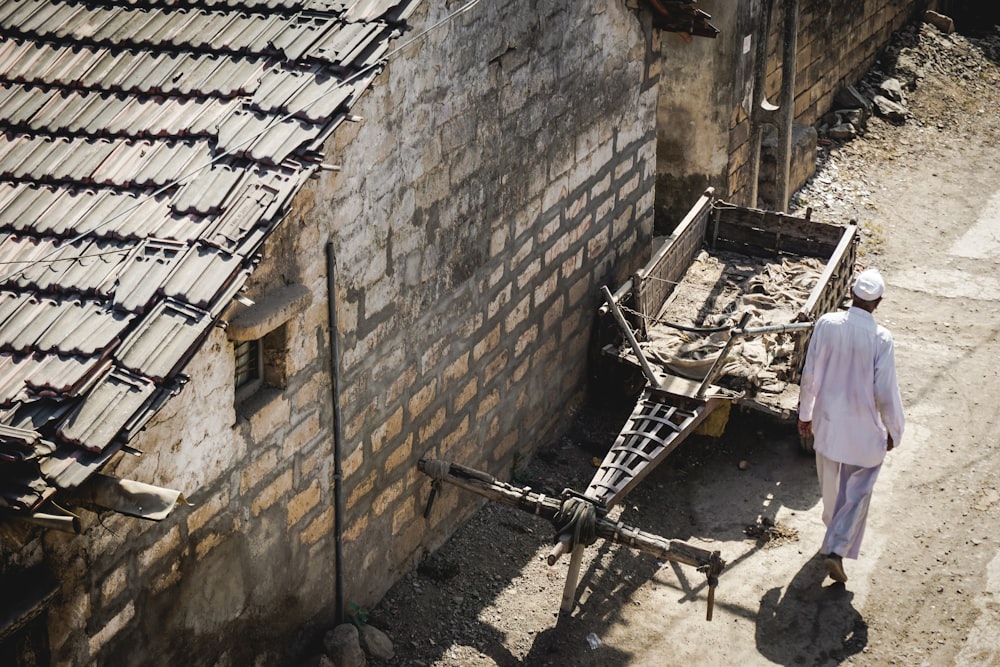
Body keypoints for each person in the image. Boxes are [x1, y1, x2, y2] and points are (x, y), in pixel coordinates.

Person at [797, 268, 905, 584]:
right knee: (858, 489)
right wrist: (893, 430)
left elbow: (810, 375)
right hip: (865, 432)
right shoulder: (882, 339)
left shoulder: (827, 325)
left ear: (851, 293)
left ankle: (832, 536)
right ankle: (836, 548)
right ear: (878, 302)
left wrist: (805, 414)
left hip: (828, 424)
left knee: (831, 486)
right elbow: (885, 391)